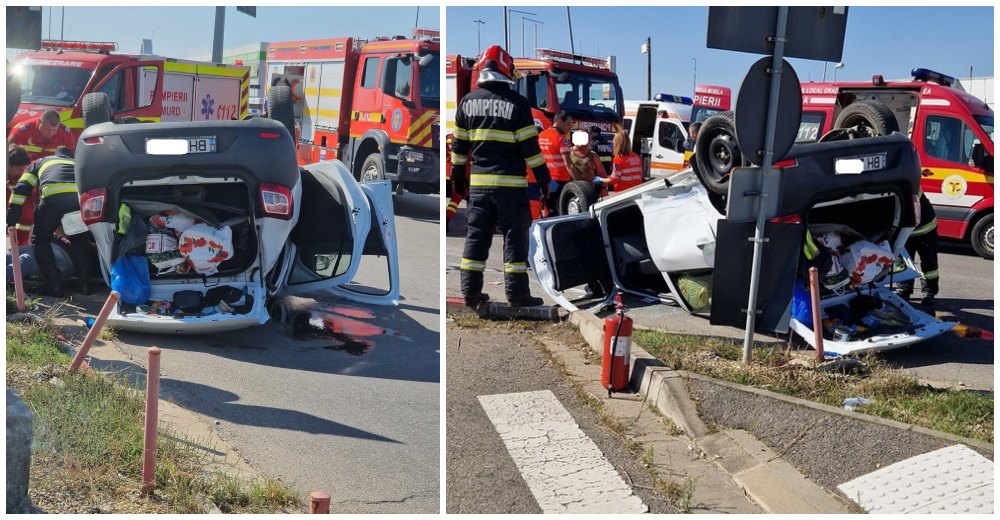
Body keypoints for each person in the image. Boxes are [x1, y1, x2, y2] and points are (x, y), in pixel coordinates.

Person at [451, 44, 551, 309]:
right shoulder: (517, 104)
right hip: (511, 189)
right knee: (514, 240)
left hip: (479, 188)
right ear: (507, 70)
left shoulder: (467, 102)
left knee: (476, 239)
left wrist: (456, 176)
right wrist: (544, 180)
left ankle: (470, 294)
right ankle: (517, 295)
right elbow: (531, 150)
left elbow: (459, 147)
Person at [7, 146, 93, 296]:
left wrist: (12, 219)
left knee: (40, 239)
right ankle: (85, 285)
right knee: (79, 239)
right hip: (77, 201)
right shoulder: (75, 163)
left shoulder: (41, 162)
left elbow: (21, 190)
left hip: (53, 198)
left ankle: (54, 286)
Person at [896, 189, 939, 305]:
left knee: (929, 264)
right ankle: (904, 290)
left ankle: (929, 293)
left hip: (925, 229)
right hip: (906, 230)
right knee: (904, 263)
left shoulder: (908, 187)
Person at [537, 111, 574, 217]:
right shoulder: (561, 138)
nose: (569, 127)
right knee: (560, 212)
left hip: (545, 180)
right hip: (560, 181)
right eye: (568, 124)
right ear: (559, 122)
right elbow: (568, 164)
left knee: (546, 209)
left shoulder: (541, 136)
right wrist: (577, 180)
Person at [8, 109, 76, 161]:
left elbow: (69, 159)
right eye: (48, 129)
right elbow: (10, 159)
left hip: (52, 171)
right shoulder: (21, 132)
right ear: (39, 122)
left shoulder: (65, 134)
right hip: (25, 170)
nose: (51, 134)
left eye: (55, 130)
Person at [7, 144, 33, 246]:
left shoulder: (20, 180)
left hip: (22, 237)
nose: (21, 173)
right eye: (19, 169)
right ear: (8, 164)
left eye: (24, 170)